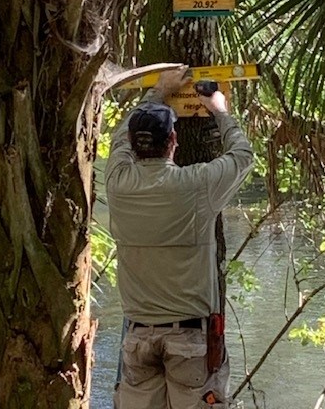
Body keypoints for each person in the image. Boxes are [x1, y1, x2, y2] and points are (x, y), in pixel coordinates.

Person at [105, 65, 253, 409]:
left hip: (138, 338)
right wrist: (219, 110)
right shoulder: (196, 186)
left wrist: (157, 92)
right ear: (174, 140)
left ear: (132, 144)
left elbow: (119, 139)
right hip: (190, 339)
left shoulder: (117, 183)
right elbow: (242, 156)